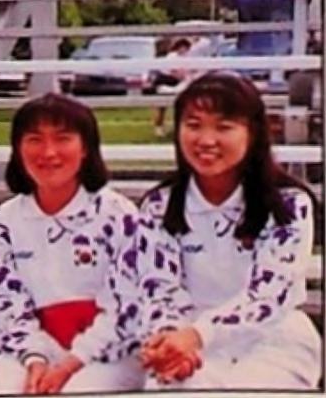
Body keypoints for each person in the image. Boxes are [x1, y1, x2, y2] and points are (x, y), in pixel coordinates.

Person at [137, 72, 322, 389]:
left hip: (273, 341)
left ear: (253, 133)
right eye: (194, 125)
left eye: (223, 127)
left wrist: (197, 336)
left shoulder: (289, 205)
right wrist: (171, 340)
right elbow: (158, 289)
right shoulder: (159, 205)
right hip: (186, 342)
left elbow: (267, 297)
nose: (206, 140)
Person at [0, 93, 146, 394]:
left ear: (85, 147)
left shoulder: (118, 214)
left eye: (63, 139)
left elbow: (127, 306)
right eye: (34, 139)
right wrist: (35, 359)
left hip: (110, 353)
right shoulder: (3, 221)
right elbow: (6, 304)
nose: (48, 152)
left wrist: (70, 364)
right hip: (34, 350)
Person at [152, 38, 192, 138]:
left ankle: (175, 127)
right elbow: (174, 71)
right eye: (182, 47)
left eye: (186, 48)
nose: (184, 50)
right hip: (165, 81)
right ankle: (158, 128)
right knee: (161, 107)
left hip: (177, 83)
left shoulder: (187, 58)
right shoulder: (172, 57)